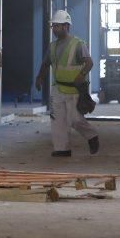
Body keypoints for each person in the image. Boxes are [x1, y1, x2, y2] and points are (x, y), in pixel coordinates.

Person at [35, 10, 100, 157]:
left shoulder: (78, 44)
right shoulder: (52, 46)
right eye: (53, 26)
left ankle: (92, 136)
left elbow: (89, 63)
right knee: (57, 120)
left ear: (66, 26)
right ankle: (62, 149)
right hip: (58, 88)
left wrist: (82, 74)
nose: (54, 29)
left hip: (74, 89)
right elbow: (46, 63)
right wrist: (39, 77)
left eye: (56, 26)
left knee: (75, 119)